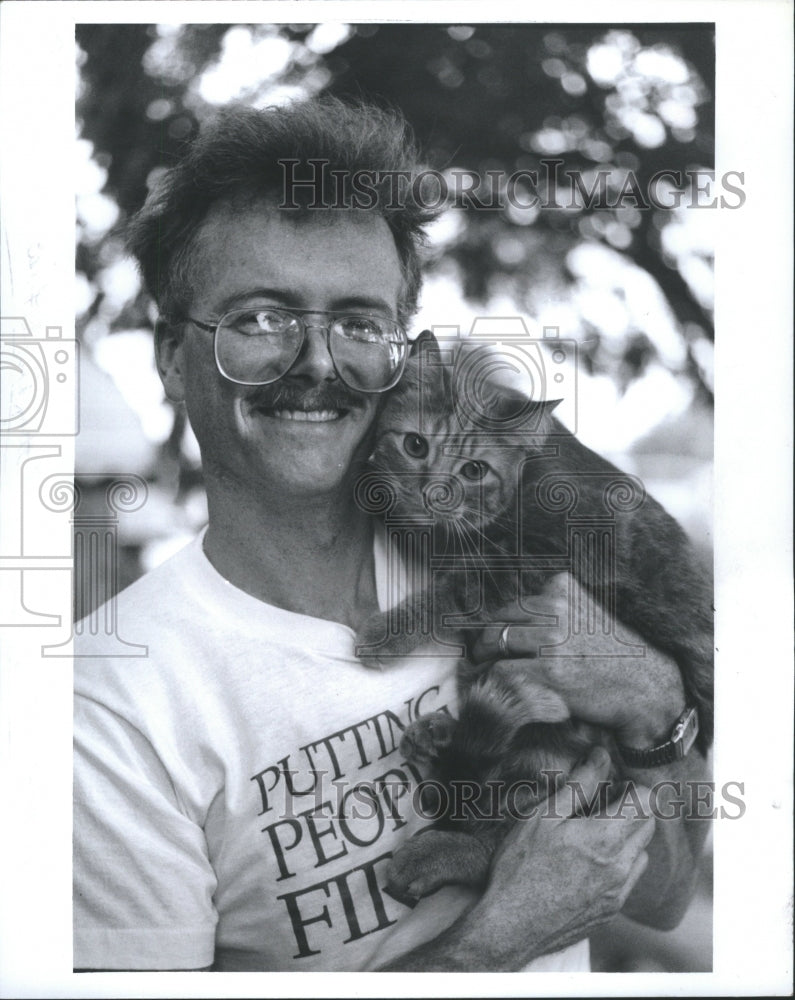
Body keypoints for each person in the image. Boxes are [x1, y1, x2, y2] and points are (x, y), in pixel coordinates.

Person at [73, 98, 711, 972]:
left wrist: (652, 704)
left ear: (403, 360)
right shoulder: (103, 709)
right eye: (262, 318)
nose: (318, 364)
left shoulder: (503, 552)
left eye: (360, 324)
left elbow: (665, 893)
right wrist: (495, 940)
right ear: (170, 357)